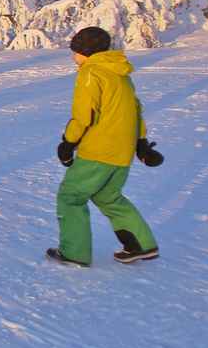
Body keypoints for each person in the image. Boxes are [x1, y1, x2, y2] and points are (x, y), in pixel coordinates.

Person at [48, 26, 164, 267]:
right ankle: (142, 245)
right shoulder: (120, 73)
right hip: (122, 153)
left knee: (71, 197)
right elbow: (134, 111)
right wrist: (141, 144)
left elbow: (84, 115)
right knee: (108, 196)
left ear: (85, 51)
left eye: (75, 51)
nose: (73, 57)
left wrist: (68, 143)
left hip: (98, 152)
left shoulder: (91, 73)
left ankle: (74, 253)